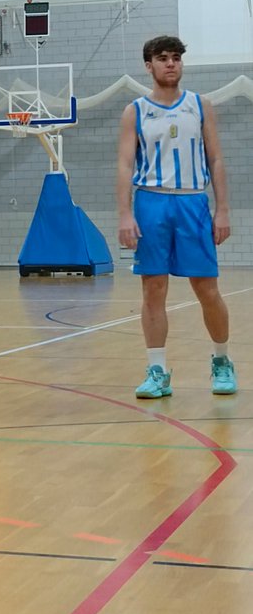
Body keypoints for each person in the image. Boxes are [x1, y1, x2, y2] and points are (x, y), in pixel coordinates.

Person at [117, 34, 234, 399]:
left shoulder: (200, 105)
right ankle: (157, 371)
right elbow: (124, 165)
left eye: (176, 58)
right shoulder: (135, 111)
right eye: (163, 58)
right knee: (153, 289)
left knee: (207, 289)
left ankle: (221, 361)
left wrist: (222, 209)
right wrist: (125, 214)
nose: (171, 63)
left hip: (192, 203)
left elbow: (216, 158)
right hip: (150, 203)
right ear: (148, 65)